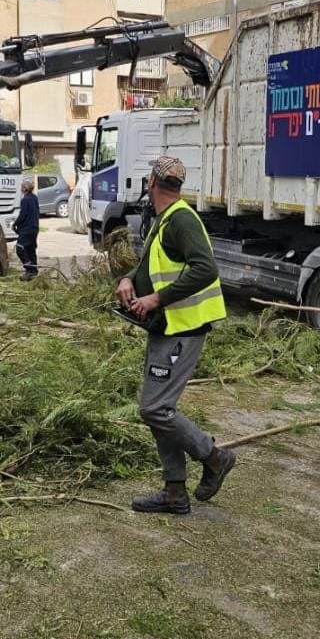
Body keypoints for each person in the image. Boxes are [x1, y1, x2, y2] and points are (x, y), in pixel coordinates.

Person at [115, 156, 236, 515]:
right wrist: (127, 279)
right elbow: (152, 263)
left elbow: (205, 268)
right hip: (168, 327)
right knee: (159, 410)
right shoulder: (166, 218)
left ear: (152, 181)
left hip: (183, 329)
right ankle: (174, 493)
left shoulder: (181, 219)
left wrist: (156, 297)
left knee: (154, 408)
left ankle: (215, 457)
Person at [12, 178, 40, 281]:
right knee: (31, 249)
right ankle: (34, 270)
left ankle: (29, 270)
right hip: (34, 228)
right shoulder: (34, 198)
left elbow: (23, 215)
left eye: (22, 187)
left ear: (24, 188)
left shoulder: (25, 200)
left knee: (20, 248)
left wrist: (15, 224)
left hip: (27, 228)